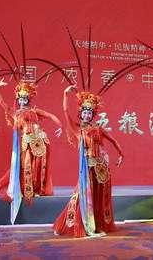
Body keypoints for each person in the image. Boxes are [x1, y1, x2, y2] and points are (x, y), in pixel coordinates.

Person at [53, 85, 123, 237]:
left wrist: (121, 154)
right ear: (81, 114)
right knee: (81, 196)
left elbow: (113, 140)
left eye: (89, 113)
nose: (86, 115)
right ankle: (68, 225)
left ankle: (98, 225)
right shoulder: (77, 130)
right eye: (84, 112)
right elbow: (66, 112)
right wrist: (65, 94)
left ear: (93, 115)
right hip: (87, 168)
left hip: (102, 167)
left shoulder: (98, 128)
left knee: (99, 198)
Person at [0, 81, 63, 213]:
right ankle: (0, 188)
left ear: (28, 99)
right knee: (21, 167)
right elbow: (3, 104)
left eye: (25, 99)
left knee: (38, 167)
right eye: (21, 99)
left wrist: (60, 127)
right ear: (18, 100)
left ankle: (36, 189)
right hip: (27, 144)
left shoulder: (36, 111)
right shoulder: (15, 113)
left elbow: (51, 116)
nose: (23, 102)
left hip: (41, 142)